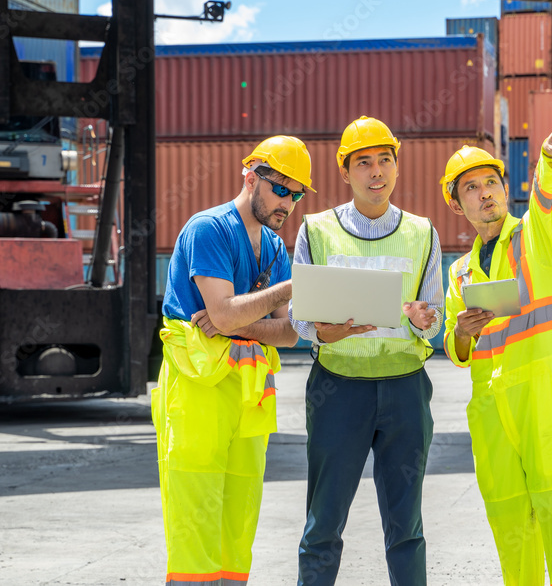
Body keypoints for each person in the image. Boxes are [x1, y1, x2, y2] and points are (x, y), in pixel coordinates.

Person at [151, 135, 315, 586]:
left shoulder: (276, 248)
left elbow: (289, 333)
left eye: (297, 195)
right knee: (194, 511)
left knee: (239, 517)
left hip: (248, 398)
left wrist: (235, 322)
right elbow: (227, 312)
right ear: (250, 178)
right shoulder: (209, 229)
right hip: (198, 390)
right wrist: (286, 290)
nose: (289, 204)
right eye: (281, 189)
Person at [289, 116, 443, 586]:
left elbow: (435, 315)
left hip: (405, 393)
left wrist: (425, 321)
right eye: (363, 162)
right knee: (323, 524)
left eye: (384, 160)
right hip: (337, 392)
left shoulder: (424, 233)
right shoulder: (315, 230)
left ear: (396, 167)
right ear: (345, 171)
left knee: (406, 527)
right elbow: (299, 316)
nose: (375, 171)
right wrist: (321, 334)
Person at [440, 116, 552, 586]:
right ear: (457, 203)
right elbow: (454, 346)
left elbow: (548, 198)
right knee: (510, 523)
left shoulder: (534, 237)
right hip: (489, 410)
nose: (484, 193)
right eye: (471, 188)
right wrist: (463, 331)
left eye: (491, 183)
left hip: (542, 398)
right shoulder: (459, 272)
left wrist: (550, 159)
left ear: (506, 190)